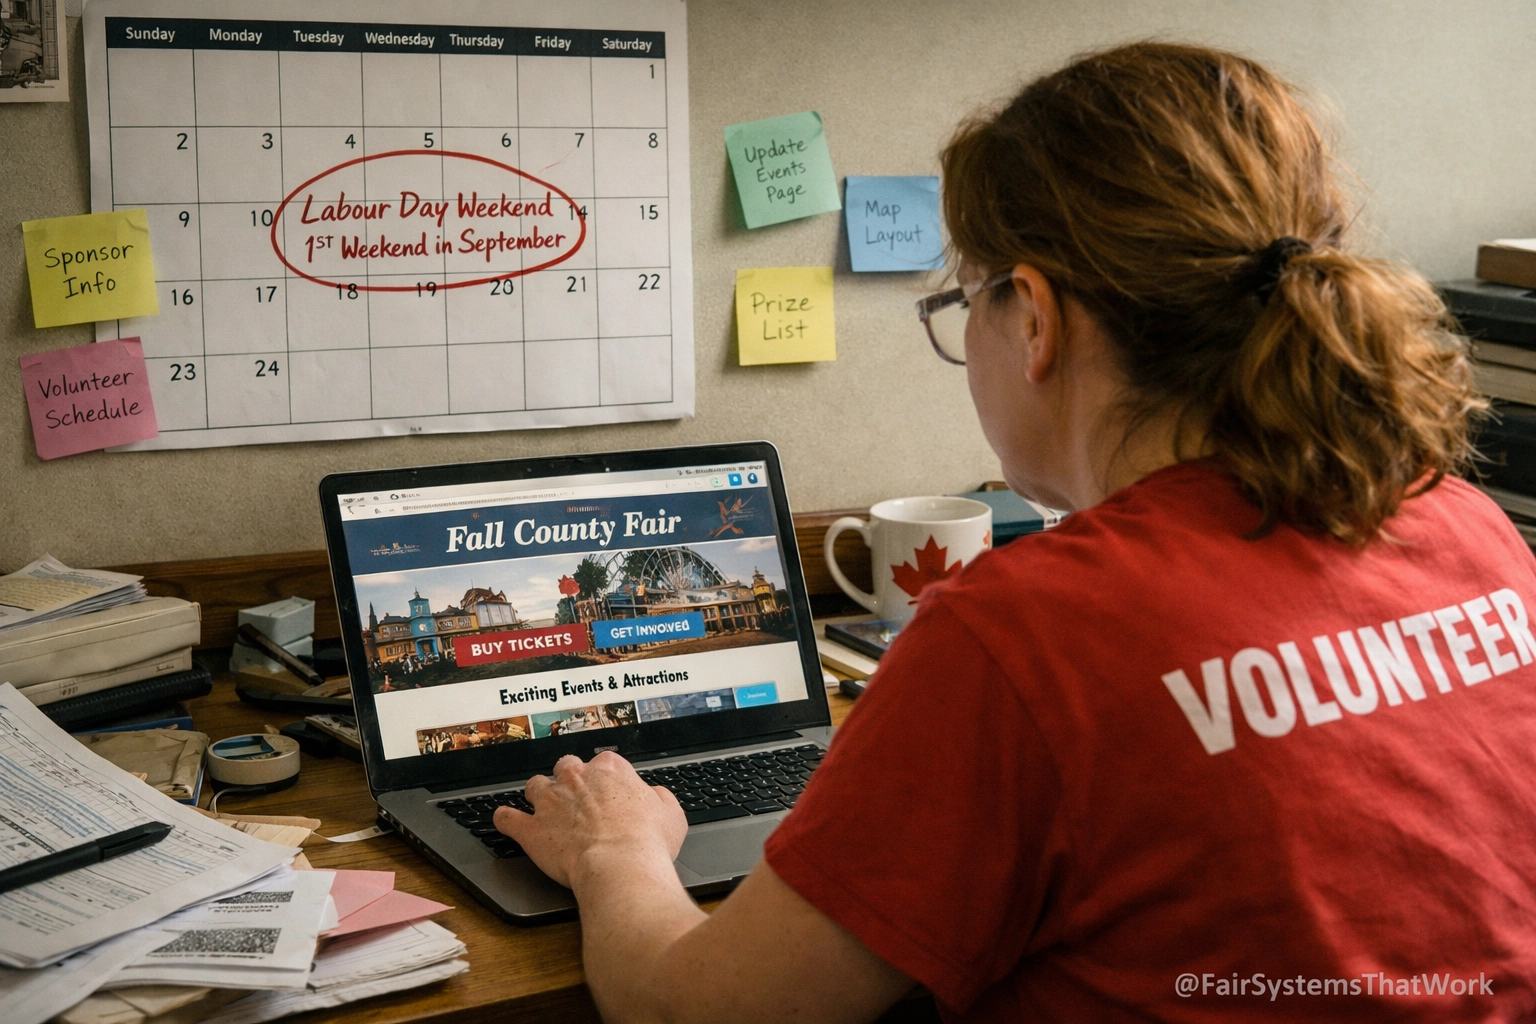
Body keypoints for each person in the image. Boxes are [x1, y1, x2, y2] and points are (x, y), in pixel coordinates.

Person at [494, 42, 1536, 1022]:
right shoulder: (1468, 525)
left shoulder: (1026, 635)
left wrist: (614, 850)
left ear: (1033, 317)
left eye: (963, 302)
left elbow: (697, 1007)